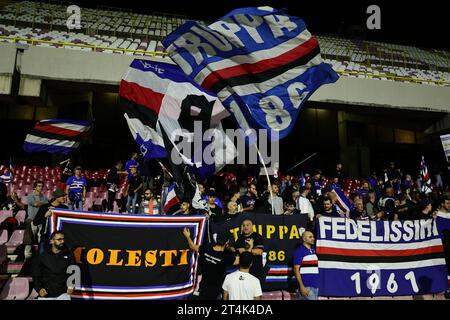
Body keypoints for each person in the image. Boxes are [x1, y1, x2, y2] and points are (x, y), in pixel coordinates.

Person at [183, 227, 237, 300]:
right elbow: (243, 260)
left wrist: (188, 237)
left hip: (203, 288)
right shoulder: (226, 258)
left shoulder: (206, 249)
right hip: (215, 292)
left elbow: (192, 246)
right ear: (227, 242)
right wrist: (248, 248)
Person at [32, 231, 75, 300]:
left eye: (63, 239)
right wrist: (39, 289)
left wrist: (71, 285)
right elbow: (36, 274)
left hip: (63, 294)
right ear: (52, 241)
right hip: (45, 294)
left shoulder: (69, 255)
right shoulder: (43, 256)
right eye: (59, 239)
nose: (62, 241)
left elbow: (73, 271)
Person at [229, 218, 265, 283]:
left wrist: (245, 250)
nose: (245, 227)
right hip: (243, 271)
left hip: (255, 270)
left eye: (248, 225)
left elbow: (259, 252)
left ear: (252, 227)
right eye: (244, 225)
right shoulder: (240, 237)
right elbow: (235, 249)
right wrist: (230, 248)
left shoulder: (257, 236)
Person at [33, 189, 69, 253]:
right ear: (57, 197)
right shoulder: (44, 207)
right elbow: (35, 222)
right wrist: (45, 216)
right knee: (42, 257)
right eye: (63, 196)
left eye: (65, 196)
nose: (65, 198)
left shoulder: (64, 208)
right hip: (46, 237)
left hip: (59, 238)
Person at [24, 181, 48, 260]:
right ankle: (27, 257)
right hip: (31, 220)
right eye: (39, 186)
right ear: (35, 187)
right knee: (29, 239)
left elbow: (46, 205)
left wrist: (41, 203)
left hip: (41, 220)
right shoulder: (31, 196)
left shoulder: (44, 197)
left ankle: (40, 257)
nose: (40, 188)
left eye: (41, 186)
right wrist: (43, 204)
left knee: (40, 239)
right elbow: (35, 204)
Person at [293, 231, 319, 300]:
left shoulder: (312, 250)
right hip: (306, 287)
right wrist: (301, 286)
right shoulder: (299, 251)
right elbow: (296, 269)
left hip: (314, 286)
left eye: (313, 237)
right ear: (304, 239)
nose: (313, 238)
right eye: (310, 237)